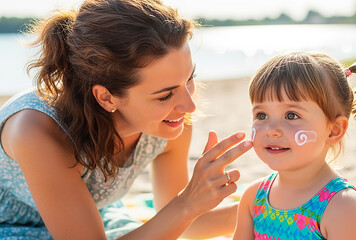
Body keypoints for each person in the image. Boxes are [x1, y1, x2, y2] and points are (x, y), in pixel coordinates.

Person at [0, 0, 253, 239]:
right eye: (165, 95)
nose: (189, 105)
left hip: (93, 221)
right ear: (106, 97)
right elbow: (181, 210)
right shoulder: (36, 130)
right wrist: (188, 201)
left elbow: (184, 222)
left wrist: (270, 204)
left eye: (189, 79)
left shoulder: (168, 122)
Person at [233, 52, 356, 239]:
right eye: (262, 115)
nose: (271, 130)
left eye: (291, 115)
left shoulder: (341, 206)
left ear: (334, 130)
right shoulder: (254, 198)